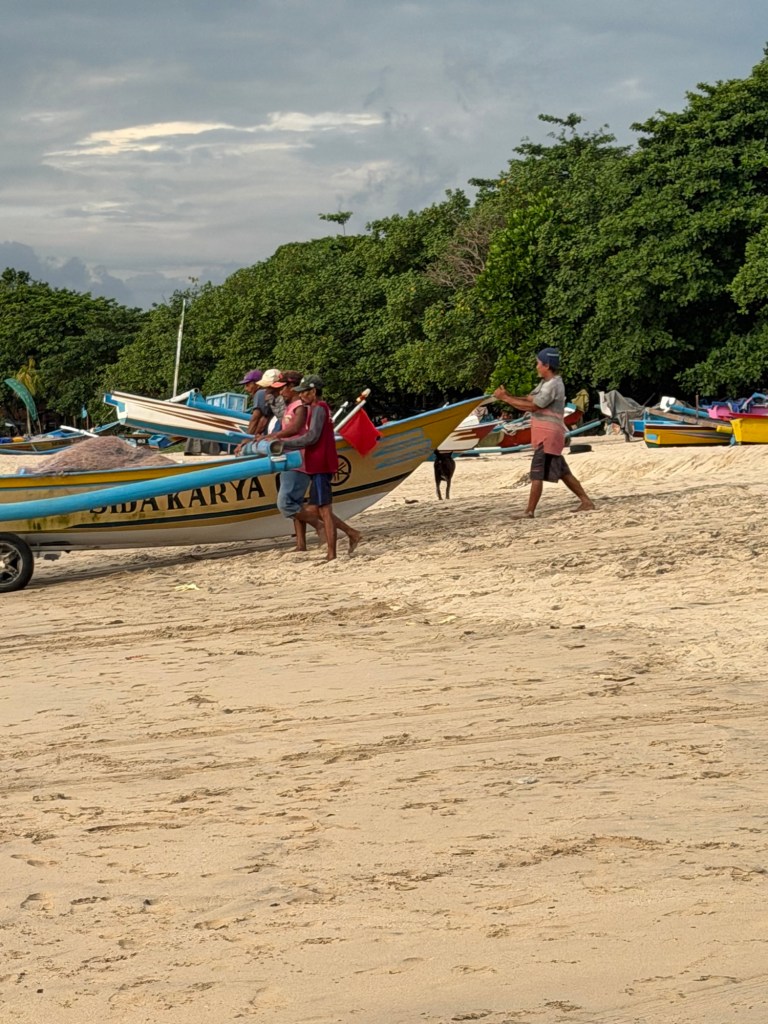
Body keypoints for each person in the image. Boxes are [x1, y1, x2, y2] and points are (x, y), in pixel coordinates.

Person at [493, 347, 595, 518]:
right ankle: (586, 502)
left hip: (548, 435)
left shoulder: (553, 385)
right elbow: (529, 398)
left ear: (546, 365)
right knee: (563, 472)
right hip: (549, 434)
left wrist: (506, 398)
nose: (536, 366)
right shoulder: (546, 383)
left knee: (536, 473)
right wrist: (508, 395)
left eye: (538, 363)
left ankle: (529, 511)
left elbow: (534, 406)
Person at [279, 375, 362, 560]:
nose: (301, 396)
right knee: (316, 508)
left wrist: (284, 443)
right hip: (317, 464)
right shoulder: (316, 408)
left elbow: (312, 437)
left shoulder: (319, 408)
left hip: (321, 464)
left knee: (324, 510)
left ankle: (332, 554)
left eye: (304, 392)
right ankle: (351, 533)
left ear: (313, 391)